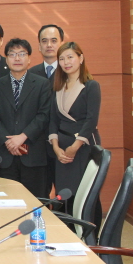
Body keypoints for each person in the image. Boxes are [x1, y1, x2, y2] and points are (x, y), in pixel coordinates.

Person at [0, 38, 51, 198]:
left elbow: (44, 115)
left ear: (29, 58)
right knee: (5, 203)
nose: (17, 58)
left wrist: (22, 137)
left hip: (34, 155)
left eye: (21, 54)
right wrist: (9, 141)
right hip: (5, 155)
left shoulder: (42, 84)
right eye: (12, 54)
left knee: (35, 201)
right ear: (6, 59)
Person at [49, 42, 101, 220]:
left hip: (83, 146)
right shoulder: (57, 86)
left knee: (86, 194)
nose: (66, 62)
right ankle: (70, 233)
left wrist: (74, 147)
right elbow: (53, 120)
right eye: (61, 59)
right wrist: (56, 147)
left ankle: (91, 238)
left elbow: (91, 121)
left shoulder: (91, 86)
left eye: (70, 57)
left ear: (81, 58)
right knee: (65, 194)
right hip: (62, 148)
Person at [29, 24, 65, 195]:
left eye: (54, 40)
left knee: (66, 192)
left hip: (64, 144)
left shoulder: (70, 72)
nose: (49, 45)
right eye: (44, 41)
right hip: (38, 147)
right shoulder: (31, 74)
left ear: (62, 43)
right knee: (39, 194)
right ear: (39, 46)